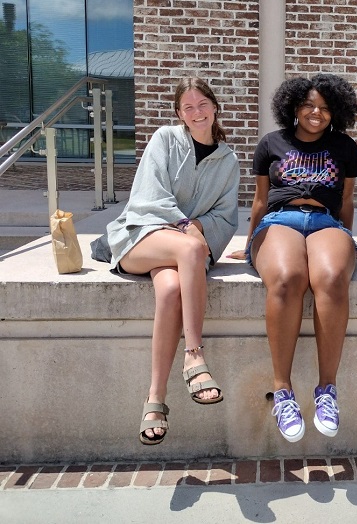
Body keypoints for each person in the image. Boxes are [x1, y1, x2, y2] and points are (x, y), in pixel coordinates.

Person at [106, 77, 240, 445]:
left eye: (202, 105)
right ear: (179, 114)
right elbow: (148, 197)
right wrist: (187, 228)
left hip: (180, 251)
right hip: (141, 237)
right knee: (191, 249)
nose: (197, 113)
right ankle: (194, 355)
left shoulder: (228, 160)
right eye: (188, 108)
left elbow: (227, 217)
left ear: (215, 107)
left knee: (168, 292)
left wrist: (197, 225)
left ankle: (155, 399)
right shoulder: (165, 139)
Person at [229, 74, 357, 442]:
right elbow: (259, 199)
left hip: (325, 222)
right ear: (293, 107)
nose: (316, 113)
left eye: (324, 107)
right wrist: (251, 241)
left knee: (332, 277)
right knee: (287, 279)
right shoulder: (272, 143)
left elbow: (346, 201)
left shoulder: (345, 146)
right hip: (279, 219)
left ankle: (327, 391)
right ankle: (283, 391)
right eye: (308, 105)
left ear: (336, 111)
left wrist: (345, 239)